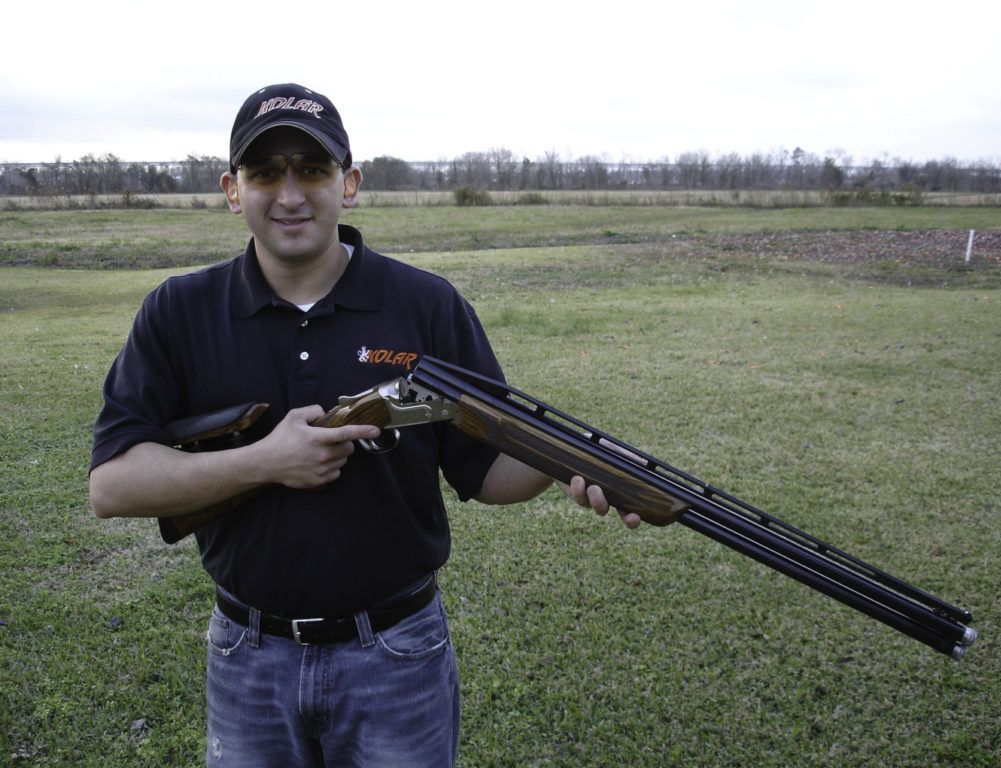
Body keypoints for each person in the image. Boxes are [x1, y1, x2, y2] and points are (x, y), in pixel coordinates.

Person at [89, 82, 639, 768]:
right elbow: (111, 486)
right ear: (234, 190)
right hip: (247, 655)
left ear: (349, 183)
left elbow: (486, 468)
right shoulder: (179, 311)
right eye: (266, 173)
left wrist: (572, 462)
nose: (290, 195)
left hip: (397, 654)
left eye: (312, 170)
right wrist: (265, 461)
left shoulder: (425, 304)